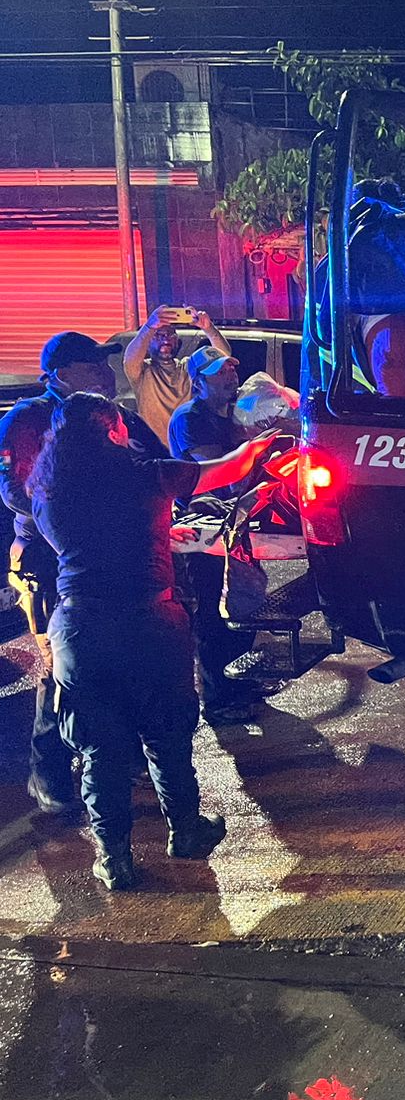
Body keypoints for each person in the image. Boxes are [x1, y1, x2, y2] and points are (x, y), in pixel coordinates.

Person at [29, 393, 276, 890]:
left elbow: (88, 545)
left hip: (80, 627)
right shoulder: (146, 475)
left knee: (100, 751)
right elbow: (224, 469)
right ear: (113, 430)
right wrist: (260, 445)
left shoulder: (47, 490)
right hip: (151, 622)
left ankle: (114, 858)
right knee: (167, 736)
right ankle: (186, 830)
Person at [0, 332, 163, 816]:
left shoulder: (116, 418)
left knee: (124, 658)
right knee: (61, 669)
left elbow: (154, 465)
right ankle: (48, 773)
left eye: (104, 366)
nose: (105, 374)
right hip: (50, 563)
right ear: (61, 374)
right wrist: (73, 522)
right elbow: (15, 492)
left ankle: (124, 757)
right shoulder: (27, 420)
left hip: (116, 559)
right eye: (92, 367)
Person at [166, 346, 263, 723]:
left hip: (235, 522)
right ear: (198, 383)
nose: (230, 376)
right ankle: (218, 699)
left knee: (244, 603)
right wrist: (257, 445)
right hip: (203, 529)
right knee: (212, 612)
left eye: (231, 369)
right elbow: (220, 470)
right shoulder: (190, 418)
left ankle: (241, 684)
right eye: (219, 373)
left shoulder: (235, 413)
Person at [124, 304, 234, 448]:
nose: (165, 339)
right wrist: (149, 327)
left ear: (178, 341)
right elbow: (130, 360)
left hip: (189, 448)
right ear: (148, 343)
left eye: (170, 335)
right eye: (158, 335)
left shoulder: (188, 367)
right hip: (158, 451)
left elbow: (222, 357)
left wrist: (208, 328)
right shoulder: (143, 372)